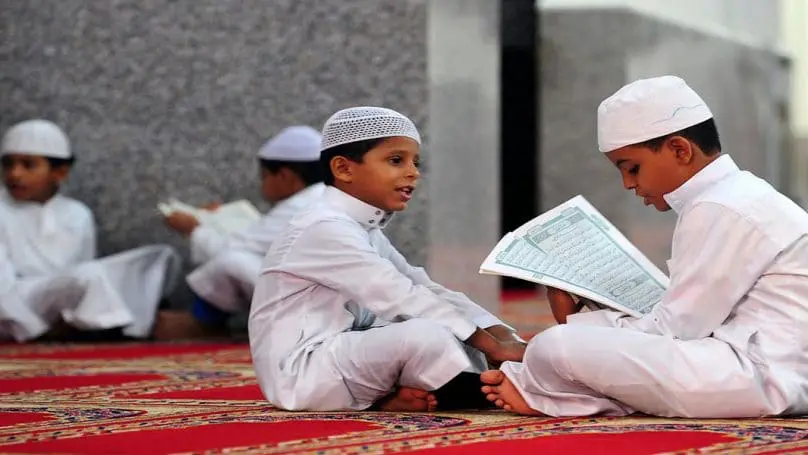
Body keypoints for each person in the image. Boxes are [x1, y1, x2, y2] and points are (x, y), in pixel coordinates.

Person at [480, 75, 808, 418]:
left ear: (680, 150)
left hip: (762, 376)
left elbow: (677, 331)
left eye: (632, 168)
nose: (628, 184)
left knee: (555, 346)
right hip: (773, 369)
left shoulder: (719, 206)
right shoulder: (737, 194)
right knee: (566, 345)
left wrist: (574, 323)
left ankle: (555, 394)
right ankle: (572, 393)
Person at [249, 106, 526, 412]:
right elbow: (398, 295)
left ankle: (403, 396)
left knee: (447, 323)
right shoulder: (323, 227)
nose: (413, 172)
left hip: (343, 352)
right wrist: (492, 345)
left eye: (415, 162)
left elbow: (423, 286)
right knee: (425, 334)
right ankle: (497, 391)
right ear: (343, 169)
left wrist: (499, 331)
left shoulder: (361, 227)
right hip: (302, 373)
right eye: (396, 160)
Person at [0, 119, 181, 342]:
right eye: (8, 164)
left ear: (60, 172)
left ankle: (101, 321)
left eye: (28, 165)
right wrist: (33, 327)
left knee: (157, 256)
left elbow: (82, 268)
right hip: (16, 301)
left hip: (68, 290)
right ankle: (111, 326)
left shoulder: (77, 213)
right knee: (89, 276)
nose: (15, 174)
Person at [158, 126, 325, 338]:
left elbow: (228, 250)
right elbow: (259, 241)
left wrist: (194, 229)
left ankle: (203, 323)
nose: (262, 184)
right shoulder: (322, 197)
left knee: (232, 261)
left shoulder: (300, 207)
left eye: (265, 176)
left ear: (285, 176)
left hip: (320, 307)